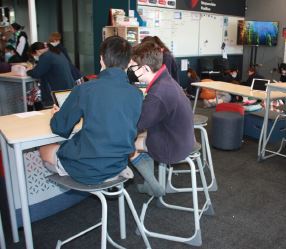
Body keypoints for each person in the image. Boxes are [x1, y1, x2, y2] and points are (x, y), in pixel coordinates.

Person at [38, 36, 143, 185]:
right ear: (128, 63)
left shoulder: (85, 89)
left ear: (101, 59)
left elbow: (60, 128)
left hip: (87, 167)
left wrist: (56, 115)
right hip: (118, 164)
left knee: (44, 149)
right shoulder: (136, 94)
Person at [127, 41, 194, 197]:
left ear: (145, 69)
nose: (131, 71)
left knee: (128, 142)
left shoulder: (158, 93)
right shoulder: (166, 80)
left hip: (172, 147)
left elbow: (137, 124)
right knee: (142, 135)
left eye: (133, 68)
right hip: (183, 139)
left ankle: (153, 185)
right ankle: (148, 183)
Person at [27, 42, 74, 107]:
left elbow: (36, 73)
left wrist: (28, 71)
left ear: (37, 51)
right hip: (67, 88)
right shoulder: (57, 53)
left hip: (56, 91)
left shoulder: (46, 56)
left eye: (34, 55)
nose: (36, 57)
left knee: (53, 112)